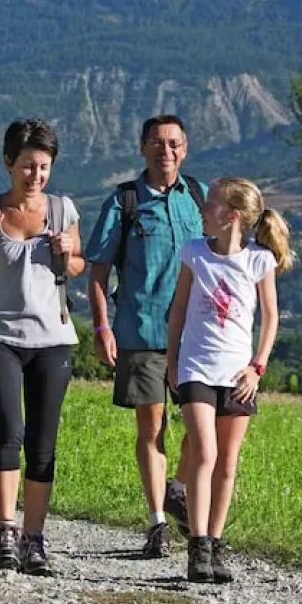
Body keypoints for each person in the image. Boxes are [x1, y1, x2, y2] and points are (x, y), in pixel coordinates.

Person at [0, 119, 84, 576]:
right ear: (9, 162)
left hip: (53, 338)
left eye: (44, 166)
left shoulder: (62, 209)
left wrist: (68, 251)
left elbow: (76, 266)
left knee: (43, 443)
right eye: (28, 165)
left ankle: (35, 537)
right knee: (8, 433)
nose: (36, 175)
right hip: (0, 336)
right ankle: (5, 532)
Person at [85, 115, 204, 558]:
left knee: (202, 425)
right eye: (157, 142)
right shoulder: (125, 201)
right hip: (143, 330)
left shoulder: (199, 196)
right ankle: (157, 524)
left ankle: (178, 488)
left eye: (173, 143)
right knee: (152, 427)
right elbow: (98, 272)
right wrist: (102, 327)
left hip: (195, 335)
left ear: (185, 149)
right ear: (142, 147)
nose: (165, 150)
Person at [165, 177, 292, 584]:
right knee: (204, 452)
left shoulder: (258, 261)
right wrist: (172, 360)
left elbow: (270, 318)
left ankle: (216, 542)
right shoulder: (194, 253)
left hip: (238, 373)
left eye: (211, 203)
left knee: (227, 461)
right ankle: (198, 544)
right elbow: (178, 310)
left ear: (232, 215)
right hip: (197, 368)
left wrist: (257, 367)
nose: (203, 209)